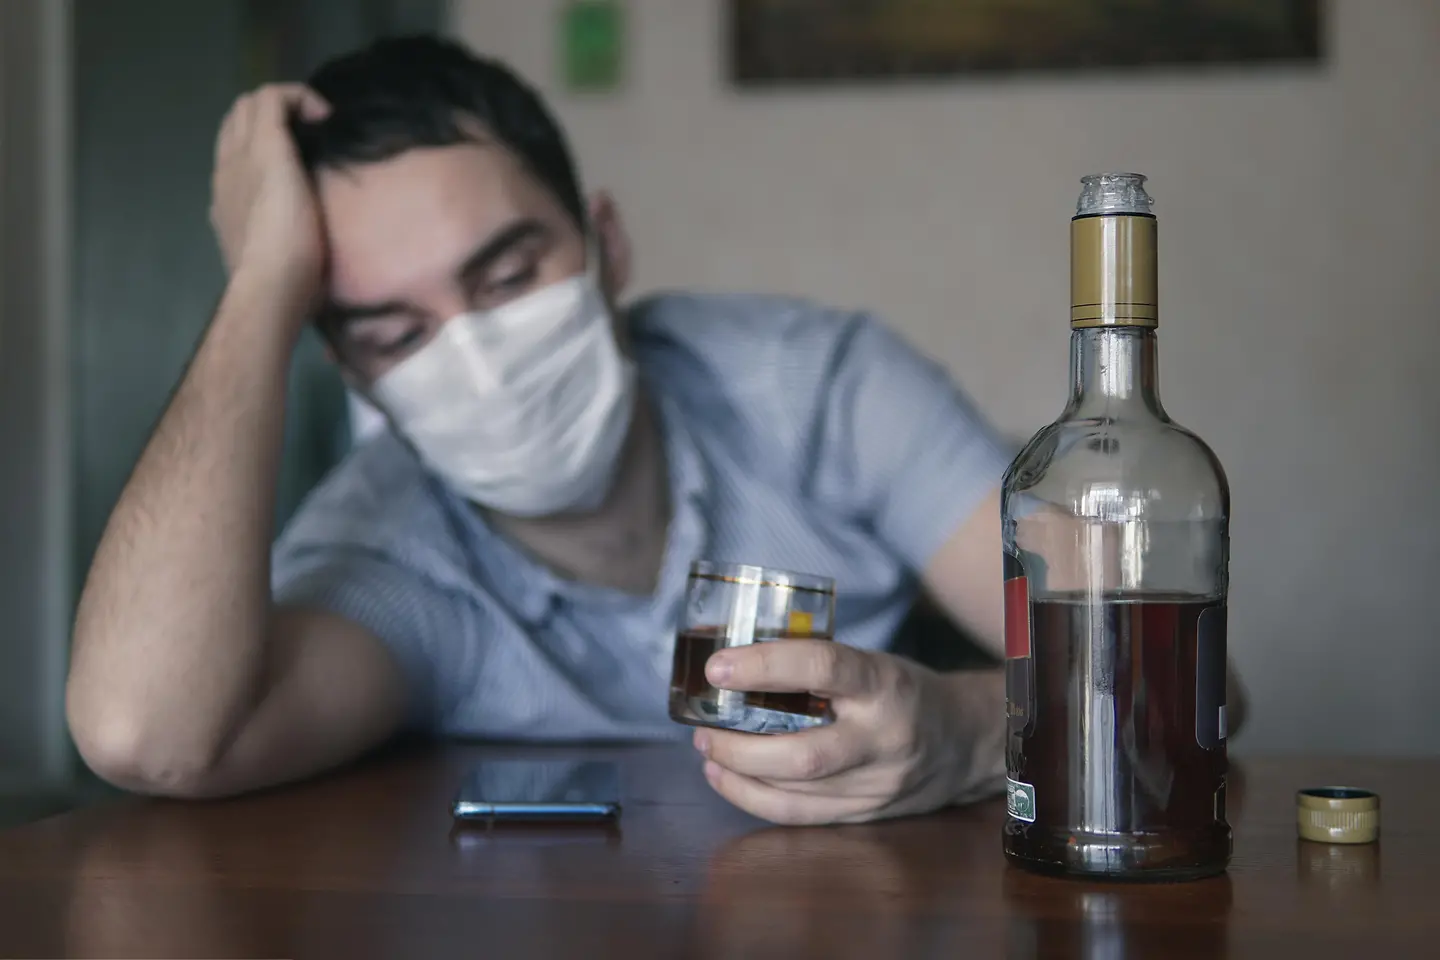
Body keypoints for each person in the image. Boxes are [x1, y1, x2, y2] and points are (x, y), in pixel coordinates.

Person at [65, 36, 1241, 825]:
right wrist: (262, 289)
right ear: (344, 364)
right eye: (391, 330)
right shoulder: (395, 555)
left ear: (605, 246)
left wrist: (967, 729)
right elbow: (144, 734)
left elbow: (1188, 689)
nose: (473, 355)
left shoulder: (814, 389)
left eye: (507, 273)